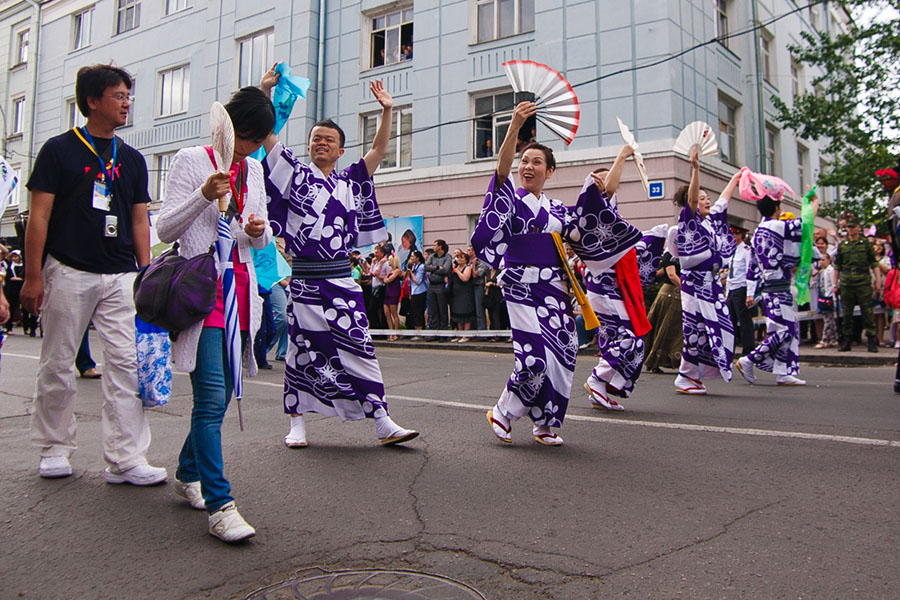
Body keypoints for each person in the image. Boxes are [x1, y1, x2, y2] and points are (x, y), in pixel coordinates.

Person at [22, 64, 166, 484]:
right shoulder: (58, 150)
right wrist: (33, 276)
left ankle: (126, 458)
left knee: (125, 364)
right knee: (58, 362)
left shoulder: (133, 158)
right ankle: (54, 446)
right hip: (68, 269)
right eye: (119, 95)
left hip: (121, 275)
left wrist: (145, 275)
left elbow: (141, 221)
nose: (126, 103)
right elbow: (39, 216)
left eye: (127, 96)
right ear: (91, 101)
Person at [260, 67, 418, 448]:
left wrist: (386, 111)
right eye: (316, 139)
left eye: (329, 140)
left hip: (342, 279)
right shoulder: (295, 174)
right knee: (302, 347)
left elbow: (380, 150)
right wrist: (266, 92)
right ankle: (297, 422)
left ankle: (381, 419)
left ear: (340, 149)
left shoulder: (350, 180)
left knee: (359, 345)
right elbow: (267, 138)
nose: (321, 144)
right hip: (305, 278)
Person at [471, 101, 640, 446]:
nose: (527, 166)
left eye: (537, 162)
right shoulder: (512, 202)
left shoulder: (558, 211)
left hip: (554, 290)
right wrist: (515, 126)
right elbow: (500, 171)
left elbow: (597, 205)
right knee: (533, 356)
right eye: (525, 162)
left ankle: (546, 423)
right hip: (519, 286)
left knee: (563, 351)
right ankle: (503, 412)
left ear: (549, 172)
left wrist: (613, 168)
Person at [157, 86, 273, 543]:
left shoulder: (256, 169)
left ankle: (188, 472)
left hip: (241, 293)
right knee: (209, 398)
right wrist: (204, 195)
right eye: (243, 136)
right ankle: (221, 505)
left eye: (257, 139)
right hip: (201, 291)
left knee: (223, 395)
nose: (246, 147)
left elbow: (258, 241)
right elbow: (166, 227)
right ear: (227, 126)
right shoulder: (190, 158)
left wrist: (258, 230)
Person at [582, 145, 649, 411]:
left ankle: (601, 388)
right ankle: (598, 379)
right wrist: (622, 156)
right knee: (630, 335)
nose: (605, 182)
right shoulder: (591, 209)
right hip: (602, 287)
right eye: (599, 178)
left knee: (620, 339)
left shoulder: (612, 216)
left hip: (611, 288)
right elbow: (606, 191)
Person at [738, 180, 819, 386]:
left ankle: (783, 371)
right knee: (785, 330)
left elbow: (752, 266)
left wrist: (750, 291)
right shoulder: (776, 226)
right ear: (777, 207)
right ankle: (749, 359)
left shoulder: (757, 232)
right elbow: (805, 224)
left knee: (783, 330)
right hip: (778, 288)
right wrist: (813, 202)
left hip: (769, 288)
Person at [673, 150, 740, 394]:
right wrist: (696, 168)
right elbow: (691, 201)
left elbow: (724, 200)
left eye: (707, 197)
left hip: (712, 286)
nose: (707, 201)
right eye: (702, 198)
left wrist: (736, 178)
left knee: (718, 328)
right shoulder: (687, 219)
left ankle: (696, 375)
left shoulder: (711, 223)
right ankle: (685, 377)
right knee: (693, 329)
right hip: (694, 284)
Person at [834, 213, 881, 353]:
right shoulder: (843, 246)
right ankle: (847, 340)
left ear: (858, 227)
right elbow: (837, 266)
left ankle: (871, 340)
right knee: (847, 313)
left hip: (863, 281)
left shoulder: (865, 244)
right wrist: (835, 284)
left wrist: (878, 281)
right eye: (848, 227)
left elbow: (874, 263)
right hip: (847, 282)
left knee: (867, 312)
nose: (850, 229)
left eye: (852, 227)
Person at [725, 226, 755, 357]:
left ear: (740, 236)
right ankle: (729, 349)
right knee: (730, 320)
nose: (732, 237)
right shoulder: (732, 251)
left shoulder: (746, 251)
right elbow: (729, 275)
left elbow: (751, 273)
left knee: (744, 321)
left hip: (742, 288)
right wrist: (727, 294)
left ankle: (748, 349)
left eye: (735, 234)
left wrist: (750, 294)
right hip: (732, 289)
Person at [424, 239, 451, 334]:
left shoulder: (447, 257)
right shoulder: (432, 256)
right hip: (431, 285)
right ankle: (434, 332)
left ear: (440, 246)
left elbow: (445, 270)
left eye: (435, 245)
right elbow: (425, 267)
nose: (433, 247)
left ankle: (443, 332)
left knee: (442, 309)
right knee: (433, 310)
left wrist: (433, 269)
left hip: (440, 285)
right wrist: (436, 268)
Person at [448, 251, 475, 342]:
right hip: (456, 294)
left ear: (466, 260)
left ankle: (466, 335)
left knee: (465, 314)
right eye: (458, 257)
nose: (459, 259)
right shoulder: (456, 267)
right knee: (458, 314)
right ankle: (459, 334)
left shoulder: (467, 268)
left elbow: (465, 278)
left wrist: (457, 272)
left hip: (465, 293)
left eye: (461, 258)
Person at [405, 250, 427, 338]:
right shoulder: (414, 266)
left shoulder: (421, 266)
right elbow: (405, 278)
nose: (411, 258)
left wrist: (411, 272)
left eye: (413, 256)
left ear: (417, 258)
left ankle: (420, 331)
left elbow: (417, 281)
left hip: (420, 291)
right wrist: (408, 269)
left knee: (418, 312)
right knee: (413, 312)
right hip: (413, 291)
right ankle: (416, 330)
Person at [381, 253, 402, 340]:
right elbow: (385, 279)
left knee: (394, 313)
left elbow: (389, 279)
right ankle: (391, 332)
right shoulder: (390, 271)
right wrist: (386, 279)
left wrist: (386, 280)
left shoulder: (397, 270)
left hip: (394, 292)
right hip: (387, 292)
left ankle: (396, 332)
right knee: (387, 313)